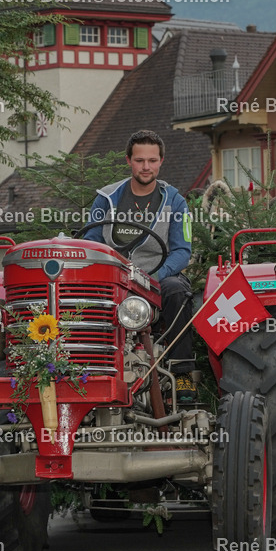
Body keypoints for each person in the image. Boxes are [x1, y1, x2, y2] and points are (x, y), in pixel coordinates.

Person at [84, 130, 196, 401]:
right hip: (114, 278)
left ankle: (182, 376)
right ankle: (88, 368)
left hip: (158, 277)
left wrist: (156, 276)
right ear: (129, 161)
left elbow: (182, 251)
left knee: (177, 292)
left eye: (152, 160)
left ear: (161, 162)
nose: (146, 167)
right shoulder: (107, 199)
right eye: (140, 160)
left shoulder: (175, 201)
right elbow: (91, 242)